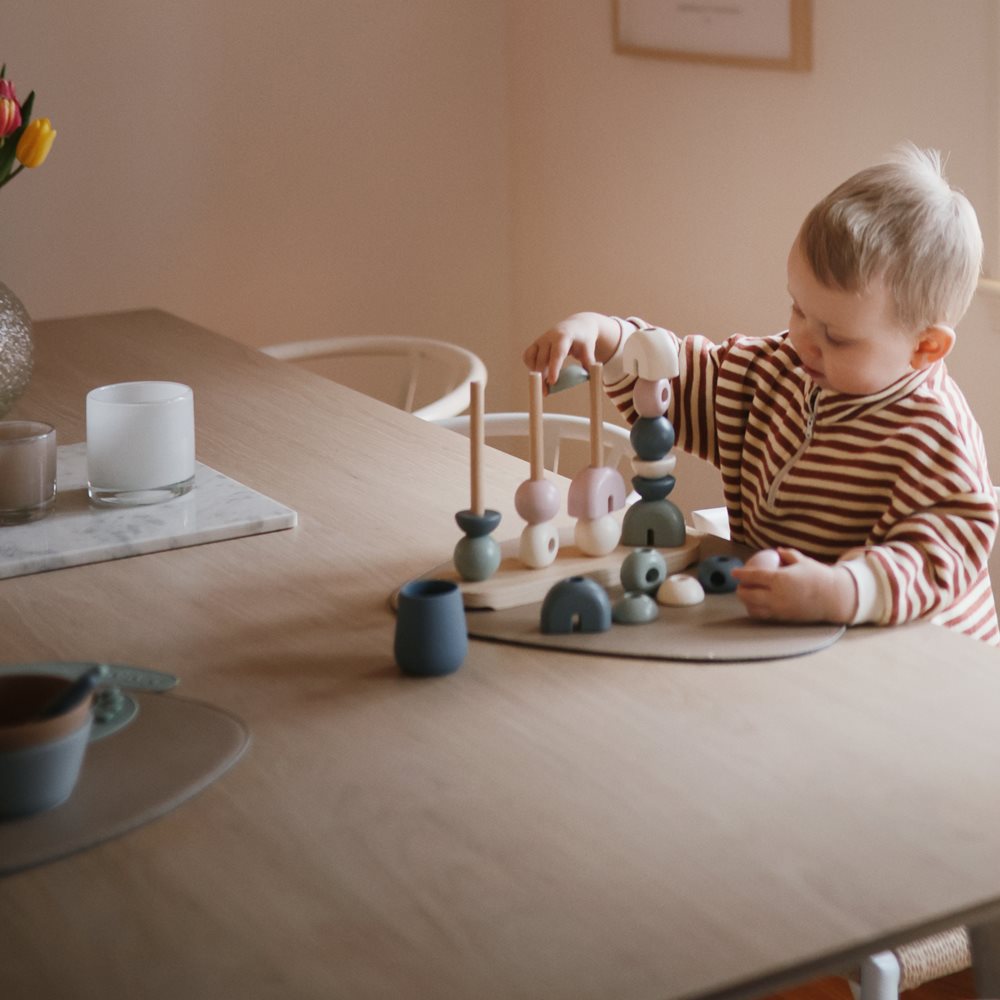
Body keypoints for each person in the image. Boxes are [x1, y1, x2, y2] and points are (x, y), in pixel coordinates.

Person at [523, 144, 999, 643]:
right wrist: (609, 337)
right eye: (798, 310)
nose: (803, 342)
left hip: (914, 668)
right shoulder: (779, 369)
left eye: (836, 336)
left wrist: (842, 590)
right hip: (794, 641)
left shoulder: (935, 436)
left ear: (926, 347)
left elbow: (940, 556)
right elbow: (685, 382)